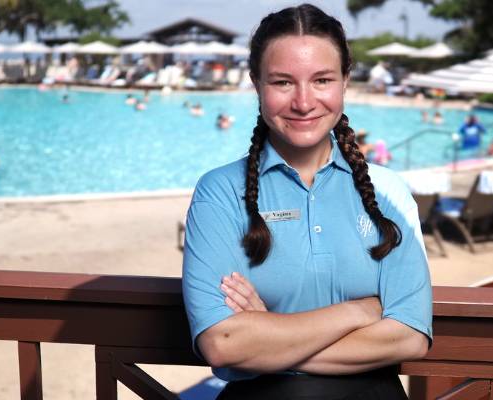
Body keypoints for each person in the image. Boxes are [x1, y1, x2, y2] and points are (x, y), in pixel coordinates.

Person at [181, 5, 432, 399]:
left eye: (322, 80)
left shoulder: (390, 193)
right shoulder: (219, 191)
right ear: (256, 83)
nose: (303, 102)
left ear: (345, 81)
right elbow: (223, 343)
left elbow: (410, 337)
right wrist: (360, 312)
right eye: (282, 82)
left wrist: (269, 334)